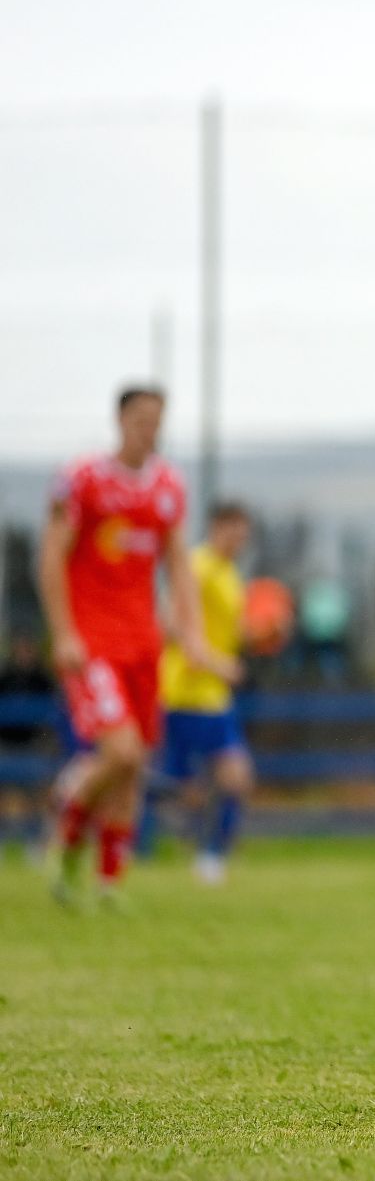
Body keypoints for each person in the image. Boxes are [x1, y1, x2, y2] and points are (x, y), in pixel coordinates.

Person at [37, 385, 233, 908]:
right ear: (120, 421)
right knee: (118, 751)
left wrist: (190, 636)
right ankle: (69, 815)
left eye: (158, 420)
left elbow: (177, 567)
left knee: (133, 764)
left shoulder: (168, 487)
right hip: (92, 641)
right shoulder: (83, 480)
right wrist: (62, 632)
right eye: (141, 419)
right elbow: (52, 555)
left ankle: (105, 882)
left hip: (144, 642)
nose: (150, 429)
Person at [154, 501, 256, 885]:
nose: (240, 540)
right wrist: (217, 663)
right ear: (216, 527)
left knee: (235, 776)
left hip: (214, 697)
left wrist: (260, 635)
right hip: (184, 692)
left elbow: (227, 631)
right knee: (176, 787)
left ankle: (211, 856)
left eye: (244, 535)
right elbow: (169, 622)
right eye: (234, 531)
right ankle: (95, 802)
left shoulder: (231, 574)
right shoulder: (197, 565)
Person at [0, 631, 56, 859]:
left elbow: (53, 719)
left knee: (42, 789)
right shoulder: (6, 677)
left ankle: (38, 842)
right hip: (8, 747)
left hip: (35, 748)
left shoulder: (43, 679)